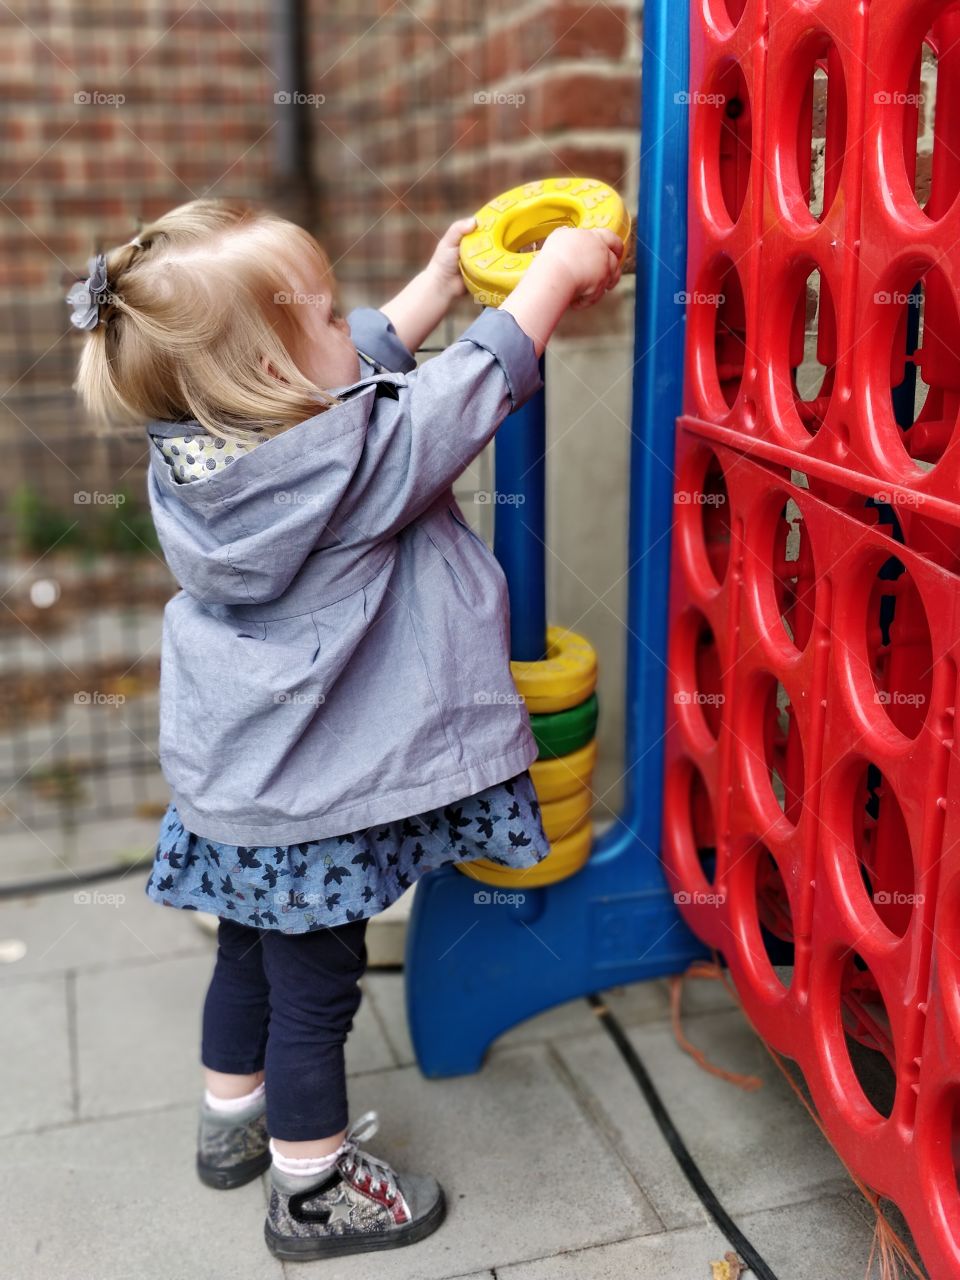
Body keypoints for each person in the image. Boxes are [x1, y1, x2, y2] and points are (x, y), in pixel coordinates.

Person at [67, 197, 624, 1261]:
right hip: (316, 803)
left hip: (237, 790)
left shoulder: (198, 453)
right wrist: (550, 276)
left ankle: (229, 1125)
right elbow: (463, 391)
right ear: (279, 377)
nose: (353, 321)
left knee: (246, 958)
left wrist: (441, 280)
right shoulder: (354, 463)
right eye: (326, 314)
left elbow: (349, 367)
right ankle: (311, 1192)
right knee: (316, 997)